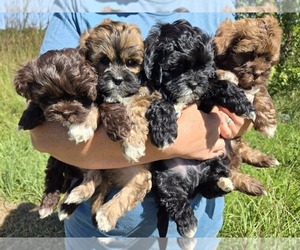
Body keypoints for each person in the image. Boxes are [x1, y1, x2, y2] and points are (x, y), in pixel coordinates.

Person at [30, 0, 250, 238]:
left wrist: (234, 118)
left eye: (132, 63)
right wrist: (182, 141)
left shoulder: (218, 6)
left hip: (201, 224)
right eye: (103, 62)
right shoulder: (75, 5)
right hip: (94, 233)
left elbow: (246, 100)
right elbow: (43, 131)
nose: (115, 74)